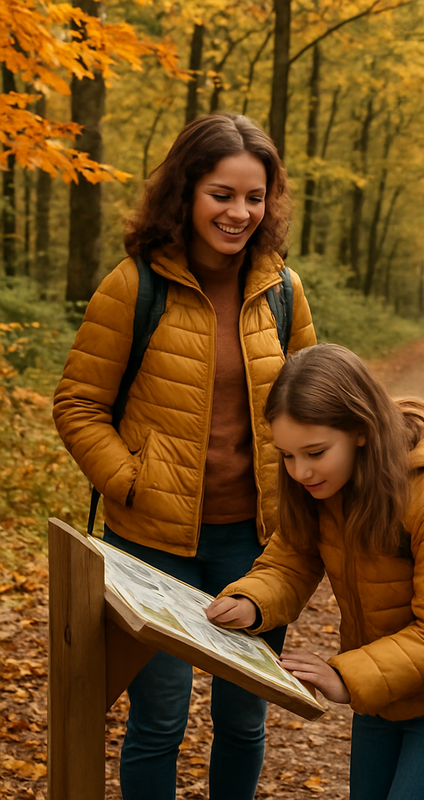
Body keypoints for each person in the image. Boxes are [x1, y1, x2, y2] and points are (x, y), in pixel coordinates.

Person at [53, 112, 316, 800]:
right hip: (151, 544)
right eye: (221, 194)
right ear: (186, 193)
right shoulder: (133, 285)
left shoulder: (283, 292)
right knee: (158, 721)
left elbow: (318, 408)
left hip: (257, 547)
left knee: (243, 719)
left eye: (253, 197)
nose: (239, 212)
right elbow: (78, 404)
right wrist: (130, 480)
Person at [205, 343, 424, 800]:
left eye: (315, 452)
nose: (301, 471)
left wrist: (347, 677)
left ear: (361, 430)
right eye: (286, 455)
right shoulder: (322, 488)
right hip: (379, 690)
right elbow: (291, 559)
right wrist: (251, 600)